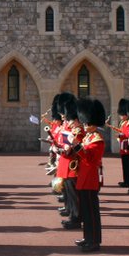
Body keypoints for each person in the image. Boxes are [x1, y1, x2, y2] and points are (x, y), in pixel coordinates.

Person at [73, 98, 106, 252]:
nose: (85, 125)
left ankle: (94, 241)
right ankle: (88, 237)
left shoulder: (98, 140)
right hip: (83, 176)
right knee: (85, 210)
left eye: (87, 123)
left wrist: (77, 146)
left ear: (94, 123)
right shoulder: (88, 137)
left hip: (90, 177)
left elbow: (90, 158)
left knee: (92, 212)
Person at [54, 93, 84, 230]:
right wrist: (58, 148)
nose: (69, 122)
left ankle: (76, 218)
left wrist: (66, 148)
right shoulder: (71, 128)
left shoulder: (78, 131)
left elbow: (74, 149)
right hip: (66, 164)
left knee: (74, 195)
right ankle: (72, 215)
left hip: (73, 166)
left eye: (71, 120)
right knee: (70, 193)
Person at [114, 98, 129, 188]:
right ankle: (126, 180)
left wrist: (120, 136)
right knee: (124, 165)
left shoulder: (128, 123)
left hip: (126, 148)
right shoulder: (123, 123)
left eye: (122, 114)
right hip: (123, 147)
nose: (120, 116)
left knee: (127, 166)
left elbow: (128, 135)